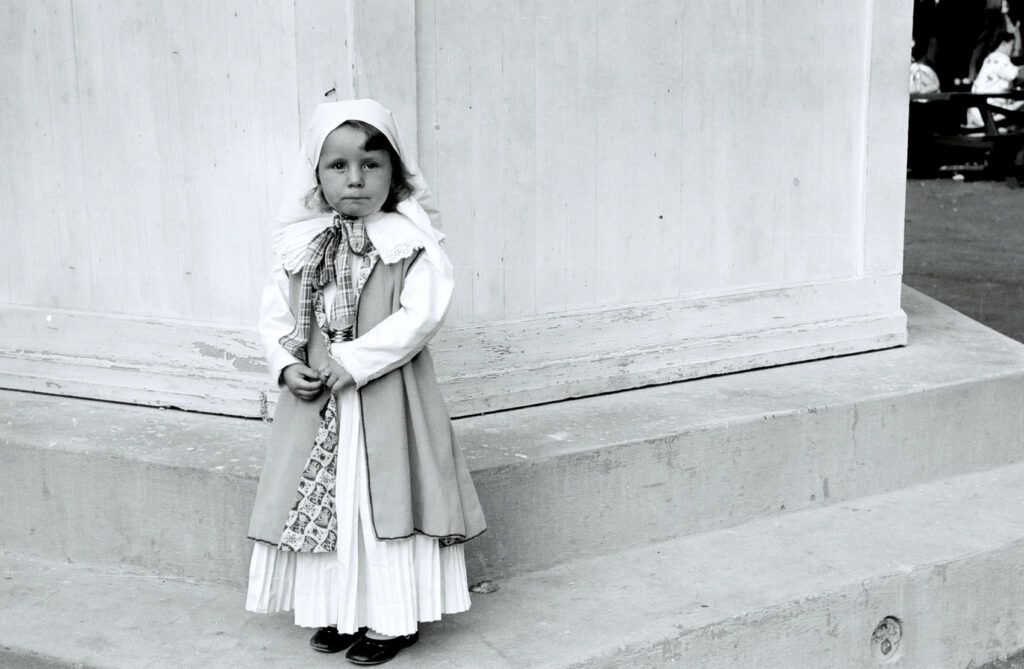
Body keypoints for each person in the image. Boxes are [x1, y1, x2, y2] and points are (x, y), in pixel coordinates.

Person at [245, 99, 487, 665]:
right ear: (316, 174)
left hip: (387, 400)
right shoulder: (300, 243)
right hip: (318, 406)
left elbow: (420, 317)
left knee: (384, 500)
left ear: (395, 173)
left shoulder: (410, 242)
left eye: (371, 165)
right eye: (338, 166)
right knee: (329, 503)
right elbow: (274, 314)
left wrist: (353, 361)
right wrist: (284, 364)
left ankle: (392, 618)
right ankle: (338, 607)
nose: (355, 179)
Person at [967, 30, 1024, 127]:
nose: (1014, 49)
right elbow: (1017, 74)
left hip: (978, 111)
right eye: (1012, 45)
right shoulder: (999, 58)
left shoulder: (989, 59)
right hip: (990, 112)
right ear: (1004, 43)